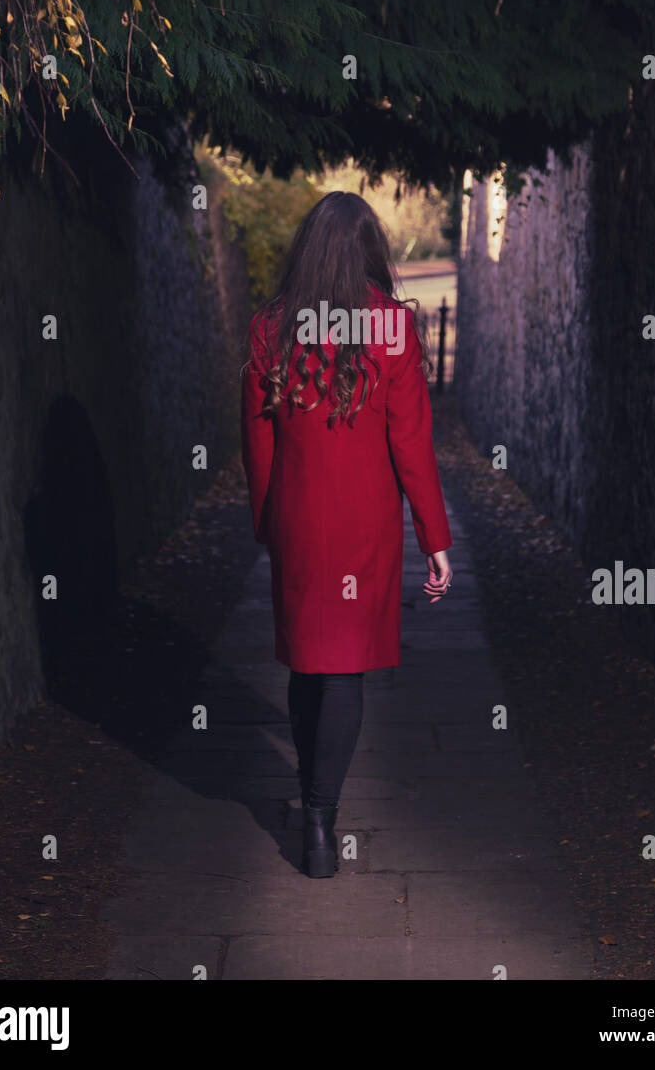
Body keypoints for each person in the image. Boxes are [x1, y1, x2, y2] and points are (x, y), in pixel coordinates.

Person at [240, 192, 453, 878]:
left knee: (309, 662)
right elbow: (412, 443)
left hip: (300, 521)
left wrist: (268, 522)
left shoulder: (271, 328)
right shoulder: (391, 327)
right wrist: (435, 538)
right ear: (369, 251)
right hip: (366, 527)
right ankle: (322, 822)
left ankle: (314, 808)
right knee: (343, 670)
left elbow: (257, 441)